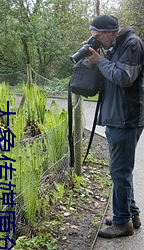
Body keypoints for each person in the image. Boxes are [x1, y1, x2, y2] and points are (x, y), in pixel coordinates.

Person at [86, 15, 144, 238]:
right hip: (116, 117)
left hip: (126, 118)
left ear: (110, 32)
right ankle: (131, 214)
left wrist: (99, 61)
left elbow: (123, 77)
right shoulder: (115, 46)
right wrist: (96, 60)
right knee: (121, 171)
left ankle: (122, 223)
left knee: (119, 171)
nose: (97, 41)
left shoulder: (132, 44)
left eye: (98, 37)